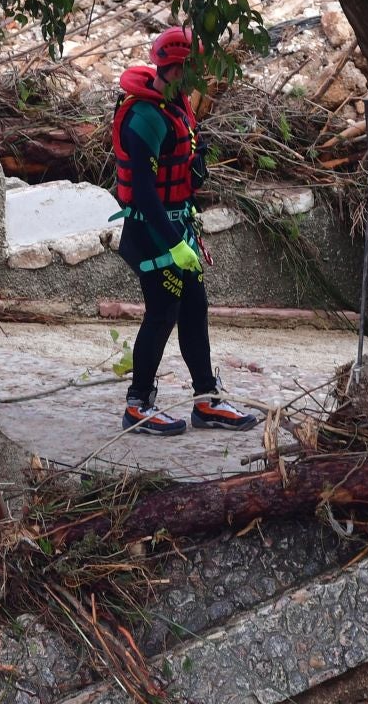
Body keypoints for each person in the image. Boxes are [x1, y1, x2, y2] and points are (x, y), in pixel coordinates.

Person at [111, 27, 258, 436]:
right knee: (163, 312)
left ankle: (206, 401)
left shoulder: (176, 107)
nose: (201, 79)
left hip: (176, 227)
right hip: (151, 232)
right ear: (176, 70)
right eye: (194, 71)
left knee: (194, 307)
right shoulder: (145, 118)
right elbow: (142, 193)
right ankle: (138, 405)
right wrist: (174, 245)